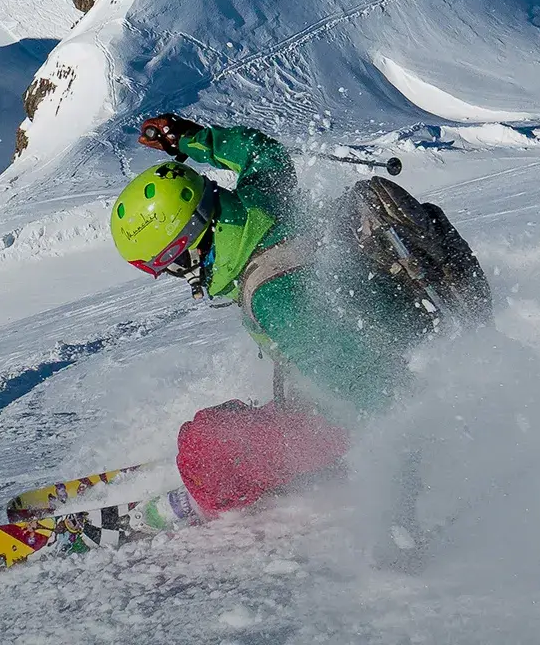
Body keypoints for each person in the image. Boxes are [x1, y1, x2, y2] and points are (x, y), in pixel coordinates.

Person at [110, 113, 457, 521]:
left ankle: (208, 488)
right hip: (394, 337)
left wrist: (403, 516)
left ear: (186, 249)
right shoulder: (262, 202)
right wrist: (190, 139)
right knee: (246, 413)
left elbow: (382, 397)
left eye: (163, 264)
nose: (173, 274)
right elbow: (262, 153)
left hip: (371, 401)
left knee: (203, 453)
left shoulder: (275, 297)